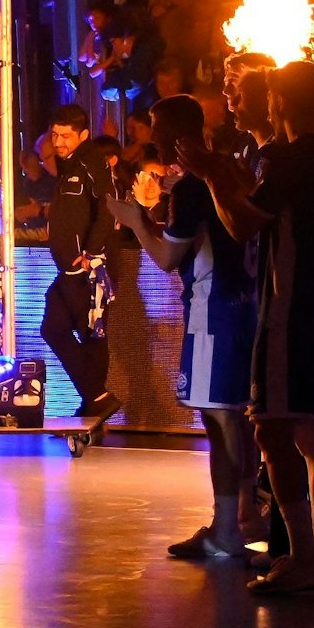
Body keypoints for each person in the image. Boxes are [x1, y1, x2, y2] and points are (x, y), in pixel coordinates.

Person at [184, 62, 314, 595]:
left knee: (274, 428)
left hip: (291, 310)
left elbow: (243, 223)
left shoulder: (290, 156)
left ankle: (304, 553)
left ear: (280, 102)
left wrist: (212, 175)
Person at [107, 95, 260, 560]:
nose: (149, 138)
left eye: (155, 127)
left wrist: (136, 221)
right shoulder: (226, 172)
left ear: (175, 133)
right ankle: (241, 517)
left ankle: (228, 529)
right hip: (241, 303)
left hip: (214, 308)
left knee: (221, 418)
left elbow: (170, 258)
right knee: (233, 416)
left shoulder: (195, 186)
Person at [40, 105, 123, 420]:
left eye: (65, 136)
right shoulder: (69, 164)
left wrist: (90, 253)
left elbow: (108, 208)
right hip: (70, 268)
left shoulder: (92, 163)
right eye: (55, 134)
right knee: (59, 328)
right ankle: (96, 399)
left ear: (83, 135)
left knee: (88, 333)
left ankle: (95, 399)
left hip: (88, 269)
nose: (58, 142)